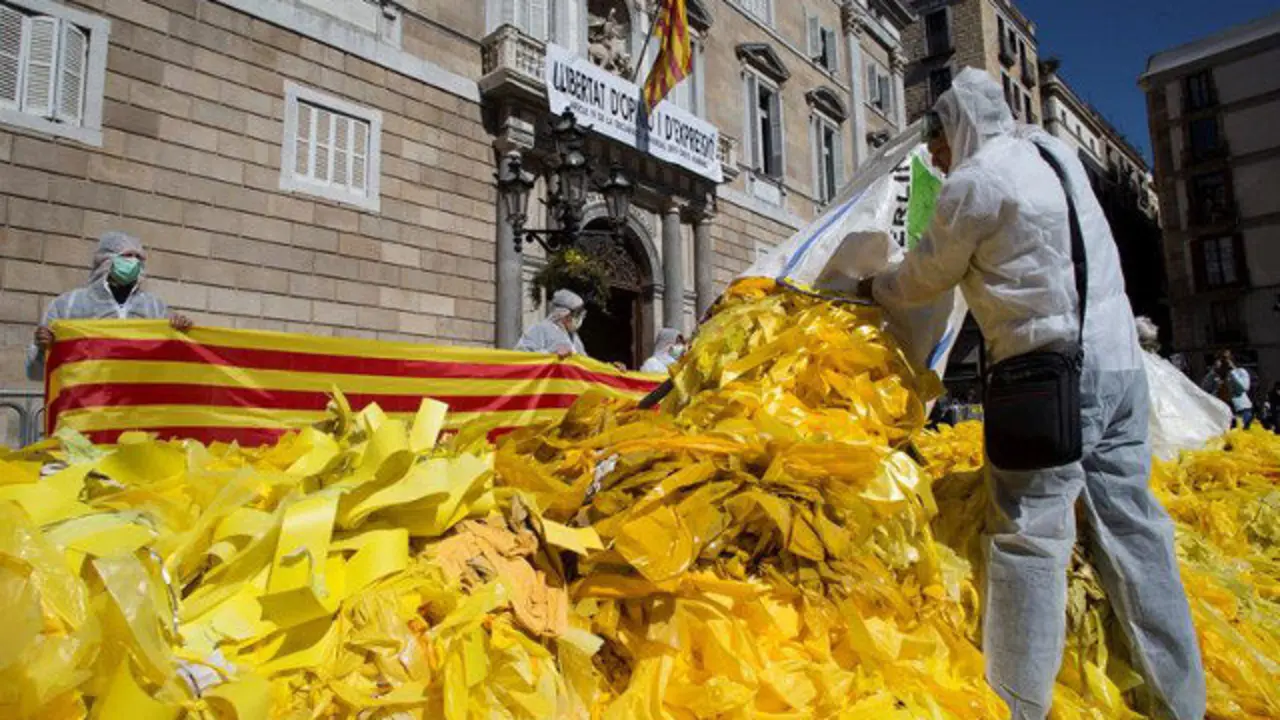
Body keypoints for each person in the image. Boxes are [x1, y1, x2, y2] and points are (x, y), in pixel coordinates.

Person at [862, 69, 1204, 719]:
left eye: (939, 145)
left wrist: (872, 286)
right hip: (1121, 371)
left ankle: (1018, 706)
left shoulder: (977, 182)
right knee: (1135, 529)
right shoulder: (1056, 156)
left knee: (1029, 539)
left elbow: (925, 277)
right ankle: (1181, 701)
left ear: (959, 126)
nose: (938, 159)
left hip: (1050, 379)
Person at [27, 231, 192, 381]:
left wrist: (183, 333)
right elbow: (35, 374)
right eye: (127, 255)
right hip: (87, 400)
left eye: (138, 257)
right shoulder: (68, 305)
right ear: (106, 259)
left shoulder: (155, 308)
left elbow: (173, 365)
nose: (134, 261)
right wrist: (43, 350)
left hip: (137, 401)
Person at [515, 289, 587, 359]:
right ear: (563, 314)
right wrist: (551, 354)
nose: (580, 318)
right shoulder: (540, 329)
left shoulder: (574, 337)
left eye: (581, 314)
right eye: (577, 314)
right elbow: (520, 356)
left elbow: (584, 360)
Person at [1200, 350, 1253, 427]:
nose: (1223, 361)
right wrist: (1213, 372)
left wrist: (1232, 371)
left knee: (1245, 432)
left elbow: (1244, 387)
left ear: (1232, 359)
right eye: (1220, 358)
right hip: (1222, 411)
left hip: (1241, 410)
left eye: (1226, 358)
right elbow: (1203, 388)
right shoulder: (1214, 375)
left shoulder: (1240, 372)